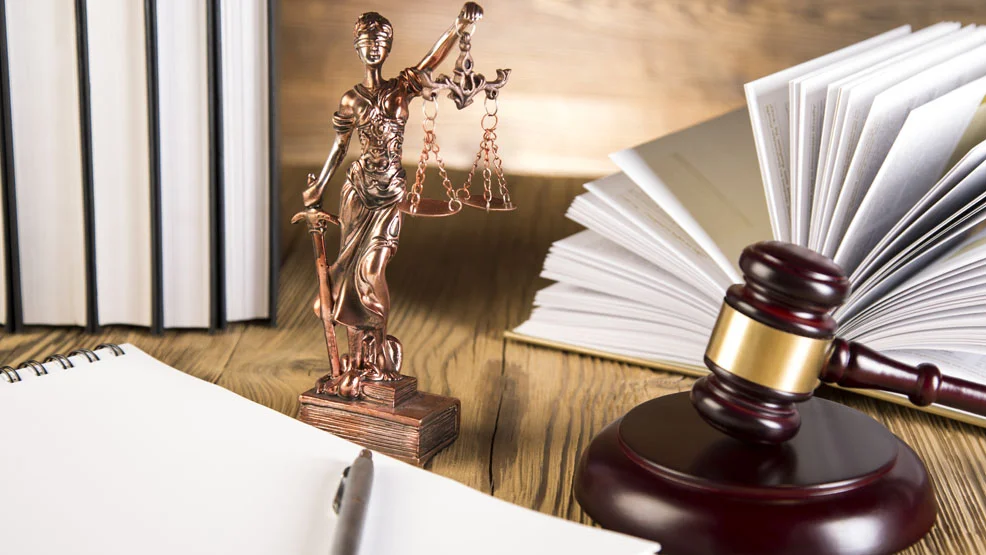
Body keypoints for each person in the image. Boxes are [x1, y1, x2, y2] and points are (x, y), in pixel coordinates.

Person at [302, 4, 484, 389]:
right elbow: (340, 146)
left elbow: (432, 60)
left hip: (389, 197)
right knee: (348, 277)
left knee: (371, 270)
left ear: (388, 48)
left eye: (380, 42)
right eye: (367, 41)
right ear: (357, 46)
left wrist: (457, 28)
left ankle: (379, 353)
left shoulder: (401, 88)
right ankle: (355, 363)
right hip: (358, 193)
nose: (373, 48)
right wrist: (319, 185)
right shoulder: (351, 100)